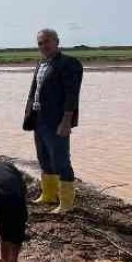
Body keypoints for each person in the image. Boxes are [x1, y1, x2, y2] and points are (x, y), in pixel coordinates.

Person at [23, 28, 83, 213]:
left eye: (47, 41)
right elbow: (35, 92)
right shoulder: (41, 63)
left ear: (57, 42)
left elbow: (71, 95)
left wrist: (66, 121)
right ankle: (48, 195)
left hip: (57, 120)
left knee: (61, 161)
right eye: (40, 43)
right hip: (39, 119)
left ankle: (65, 204)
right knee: (44, 158)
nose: (43, 46)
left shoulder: (69, 63)